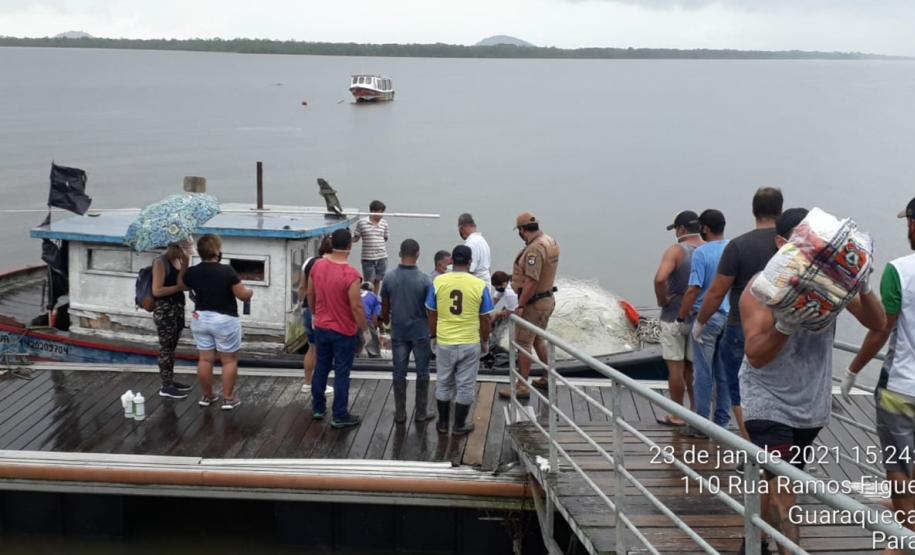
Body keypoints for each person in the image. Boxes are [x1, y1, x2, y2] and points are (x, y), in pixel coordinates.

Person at [739, 208, 885, 555]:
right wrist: (784, 326)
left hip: (809, 403)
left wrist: (861, 285)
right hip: (767, 399)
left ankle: (752, 542)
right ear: (781, 243)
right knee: (786, 485)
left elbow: (878, 323)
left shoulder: (831, 282)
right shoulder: (761, 288)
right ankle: (792, 549)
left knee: (776, 478)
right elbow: (756, 355)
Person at [845, 197, 915, 552]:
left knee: (900, 469)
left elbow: (881, 329)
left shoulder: (899, 270)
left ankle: (906, 542)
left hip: (900, 390)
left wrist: (853, 369)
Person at [696, 187, 783, 440]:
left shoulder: (738, 246)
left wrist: (700, 323)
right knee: (774, 388)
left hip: (740, 327)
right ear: (780, 211)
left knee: (739, 390)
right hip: (780, 329)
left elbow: (716, 292)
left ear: (753, 210)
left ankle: (751, 449)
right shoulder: (790, 248)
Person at [426, 245, 494, 434]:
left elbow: (431, 312)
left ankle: (442, 424)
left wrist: (433, 335)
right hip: (469, 341)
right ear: (470, 262)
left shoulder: (438, 282)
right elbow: (486, 318)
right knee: (465, 385)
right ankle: (459, 425)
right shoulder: (479, 285)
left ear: (452, 262)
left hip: (445, 341)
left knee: (444, 382)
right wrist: (485, 340)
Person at [181, 234, 253, 410]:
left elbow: (182, 285)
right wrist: (250, 292)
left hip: (201, 318)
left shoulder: (193, 272)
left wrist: (184, 263)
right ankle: (228, 399)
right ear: (217, 251)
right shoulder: (227, 271)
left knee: (205, 359)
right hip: (224, 319)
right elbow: (242, 295)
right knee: (228, 360)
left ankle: (207, 396)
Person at [307, 228, 368, 429]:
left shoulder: (317, 267)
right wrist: (364, 328)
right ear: (350, 247)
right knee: (342, 373)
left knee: (321, 368)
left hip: (322, 326)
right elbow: (356, 306)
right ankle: (339, 414)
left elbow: (310, 293)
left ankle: (318, 408)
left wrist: (316, 315)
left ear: (332, 244)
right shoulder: (351, 275)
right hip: (344, 330)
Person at [676, 209, 730, 437]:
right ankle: (722, 423)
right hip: (729, 317)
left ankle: (700, 425)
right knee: (724, 372)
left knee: (703, 373)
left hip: (706, 318)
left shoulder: (701, 253)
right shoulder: (732, 249)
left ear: (705, 229)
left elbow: (693, 290)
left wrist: (681, 316)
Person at [498, 212, 560, 400]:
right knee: (536, 339)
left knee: (523, 344)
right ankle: (548, 376)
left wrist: (521, 305)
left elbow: (532, 281)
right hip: (546, 299)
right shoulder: (550, 241)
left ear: (522, 230)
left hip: (534, 303)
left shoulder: (534, 249)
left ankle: (522, 386)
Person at [653, 211, 704, 425]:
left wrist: (662, 300)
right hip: (699, 317)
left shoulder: (676, 251)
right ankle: (696, 411)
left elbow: (660, 278)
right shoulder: (708, 249)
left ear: (681, 229)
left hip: (674, 313)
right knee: (693, 367)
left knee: (675, 367)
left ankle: (677, 414)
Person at [381, 239, 434, 423]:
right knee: (423, 372)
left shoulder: (389, 278)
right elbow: (430, 310)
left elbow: (385, 307)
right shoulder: (426, 279)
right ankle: (420, 412)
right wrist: (432, 331)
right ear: (418, 255)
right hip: (420, 332)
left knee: (399, 372)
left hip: (399, 332)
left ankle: (400, 413)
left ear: (400, 254)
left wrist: (386, 321)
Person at [152, 240, 192, 399]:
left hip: (177, 310)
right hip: (165, 311)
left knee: (172, 347)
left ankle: (170, 380)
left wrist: (185, 265)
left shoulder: (178, 261)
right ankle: (166, 385)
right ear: (173, 246)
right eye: (181, 248)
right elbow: (157, 290)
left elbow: (183, 283)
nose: (183, 252)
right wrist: (178, 288)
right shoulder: (160, 262)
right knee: (166, 348)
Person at [297, 235, 333, 396]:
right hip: (321, 311)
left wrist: (300, 306)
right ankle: (320, 385)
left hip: (305, 308)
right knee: (323, 351)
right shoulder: (329, 265)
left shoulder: (309, 261)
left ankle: (307, 383)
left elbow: (302, 287)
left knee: (311, 348)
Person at [353, 200, 389, 295]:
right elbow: (356, 237)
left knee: (378, 280)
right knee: (369, 282)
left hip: (382, 256)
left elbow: (385, 238)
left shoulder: (384, 223)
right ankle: (368, 298)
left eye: (382, 212)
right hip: (368, 258)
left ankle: (375, 298)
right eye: (379, 212)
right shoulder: (362, 223)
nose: (381, 215)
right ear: (373, 211)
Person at [458, 213, 492, 285]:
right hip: (486, 281)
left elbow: (470, 269)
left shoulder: (471, 243)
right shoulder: (483, 241)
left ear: (461, 228)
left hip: (476, 284)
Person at [489, 271, 519, 349]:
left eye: (497, 287)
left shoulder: (510, 292)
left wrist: (496, 315)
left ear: (503, 283)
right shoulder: (504, 283)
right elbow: (495, 299)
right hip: (510, 307)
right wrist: (484, 312)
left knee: (500, 329)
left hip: (516, 309)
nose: (496, 289)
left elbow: (512, 312)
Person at [358, 282, 382, 358]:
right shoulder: (374, 297)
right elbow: (375, 317)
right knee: (373, 347)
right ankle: (375, 355)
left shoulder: (355, 293)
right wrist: (375, 328)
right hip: (365, 320)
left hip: (352, 320)